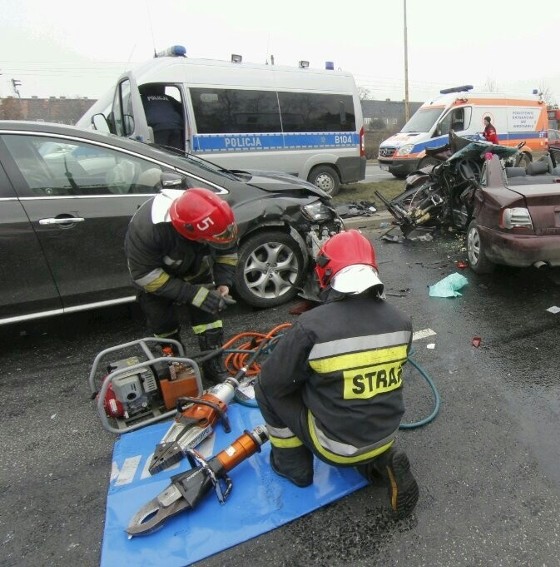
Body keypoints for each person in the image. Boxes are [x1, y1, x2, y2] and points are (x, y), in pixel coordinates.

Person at [254, 230, 420, 519]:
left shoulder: (311, 326)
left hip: (335, 448)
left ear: (326, 274)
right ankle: (378, 461)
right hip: (386, 434)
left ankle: (294, 466)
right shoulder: (401, 322)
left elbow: (272, 381)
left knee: (265, 388)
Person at [125, 187, 238, 383]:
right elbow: (145, 276)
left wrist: (223, 283)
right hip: (157, 279)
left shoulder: (214, 218)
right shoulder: (148, 229)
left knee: (209, 316)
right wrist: (192, 294)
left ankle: (212, 364)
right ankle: (176, 368)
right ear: (189, 231)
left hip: (194, 268)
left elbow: (227, 251)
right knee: (162, 323)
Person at [139, 84, 185, 149]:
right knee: (177, 153)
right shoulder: (168, 98)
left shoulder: (141, 99)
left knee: (161, 153)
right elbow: (182, 109)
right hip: (176, 126)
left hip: (159, 128)